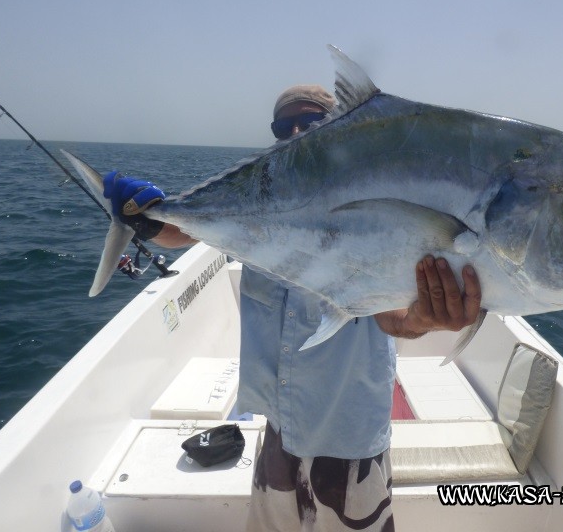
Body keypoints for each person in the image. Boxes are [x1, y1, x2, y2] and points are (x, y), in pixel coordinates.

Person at [106, 84, 482, 531]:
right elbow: (185, 231)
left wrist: (425, 317)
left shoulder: (369, 210)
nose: (299, 130)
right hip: (278, 430)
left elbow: (393, 318)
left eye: (314, 122)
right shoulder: (255, 205)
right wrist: (144, 219)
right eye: (286, 126)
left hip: (348, 439)